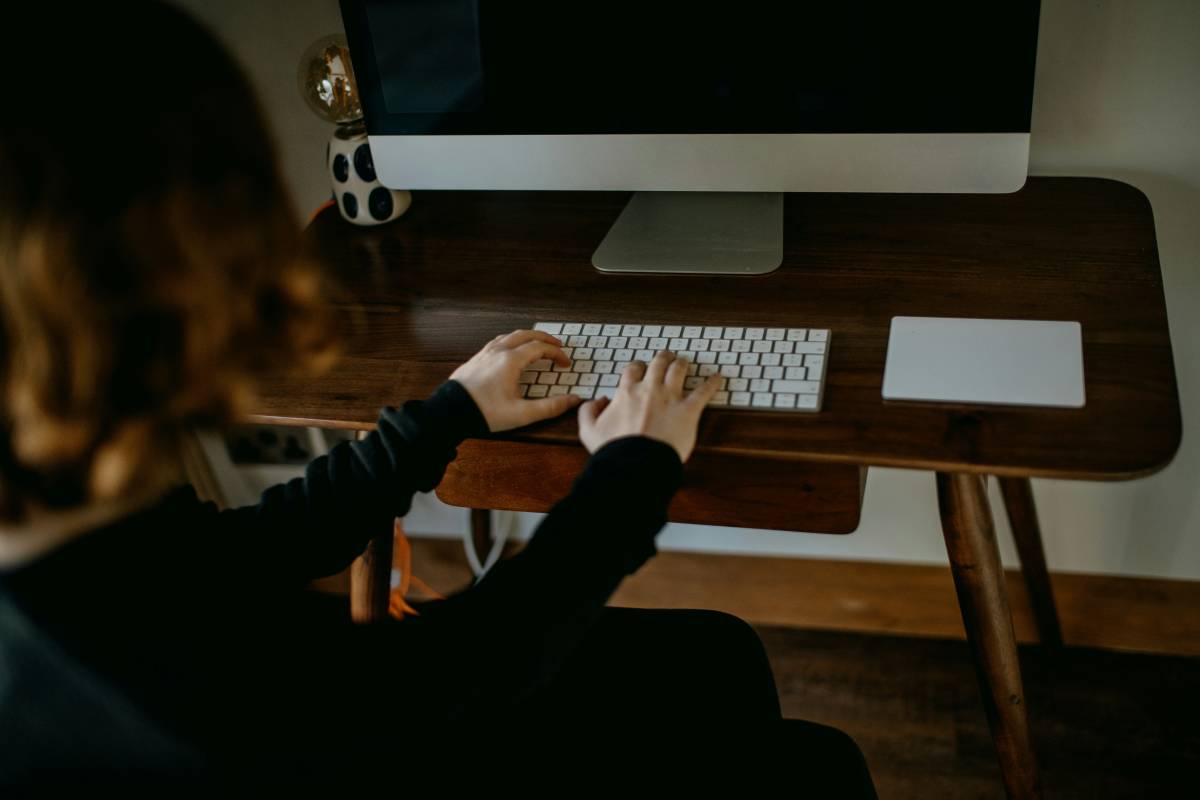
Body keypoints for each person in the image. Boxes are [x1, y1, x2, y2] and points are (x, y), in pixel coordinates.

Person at [0, 2, 876, 793]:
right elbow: (469, 674)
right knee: (820, 768)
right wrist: (632, 470)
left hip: (374, 725)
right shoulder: (178, 702)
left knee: (715, 656)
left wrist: (448, 414)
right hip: (402, 748)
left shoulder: (53, 511)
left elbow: (230, 559)